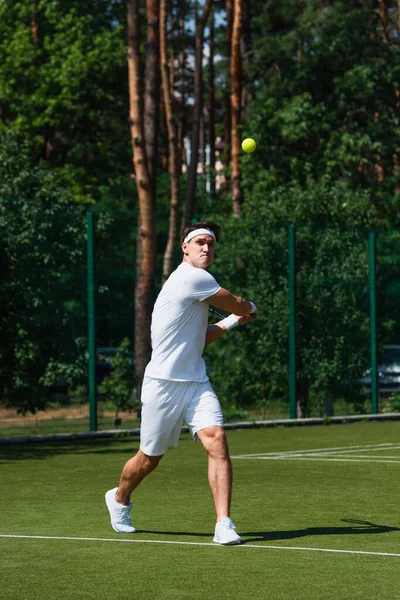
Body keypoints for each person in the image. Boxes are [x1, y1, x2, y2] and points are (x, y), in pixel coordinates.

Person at [105, 221, 258, 545]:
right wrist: (248, 309)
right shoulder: (192, 278)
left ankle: (224, 523)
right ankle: (119, 498)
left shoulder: (197, 286)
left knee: (216, 439)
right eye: (200, 242)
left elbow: (199, 338)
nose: (206, 248)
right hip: (163, 384)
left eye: (211, 244)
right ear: (185, 248)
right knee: (149, 459)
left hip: (195, 381)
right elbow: (238, 302)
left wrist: (232, 321)